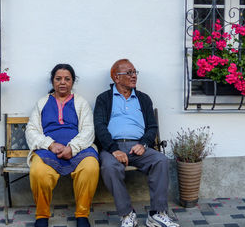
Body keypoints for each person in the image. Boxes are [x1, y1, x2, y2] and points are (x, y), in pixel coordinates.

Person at [93, 59, 179, 227]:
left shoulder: (143, 99)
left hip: (138, 147)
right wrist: (113, 149)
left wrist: (144, 144)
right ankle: (127, 214)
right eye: (129, 73)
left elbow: (152, 126)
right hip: (113, 147)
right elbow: (99, 126)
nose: (134, 76)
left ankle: (157, 213)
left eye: (135, 72)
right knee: (109, 167)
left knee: (160, 160)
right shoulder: (104, 99)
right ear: (116, 78)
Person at [25, 64, 99, 227]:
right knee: (38, 172)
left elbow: (88, 130)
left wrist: (72, 148)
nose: (62, 82)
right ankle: (42, 216)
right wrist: (50, 144)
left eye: (67, 79)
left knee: (91, 168)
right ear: (52, 82)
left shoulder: (81, 103)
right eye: (58, 79)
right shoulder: (42, 103)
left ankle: (82, 215)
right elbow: (31, 130)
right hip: (48, 151)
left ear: (73, 82)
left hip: (80, 150)